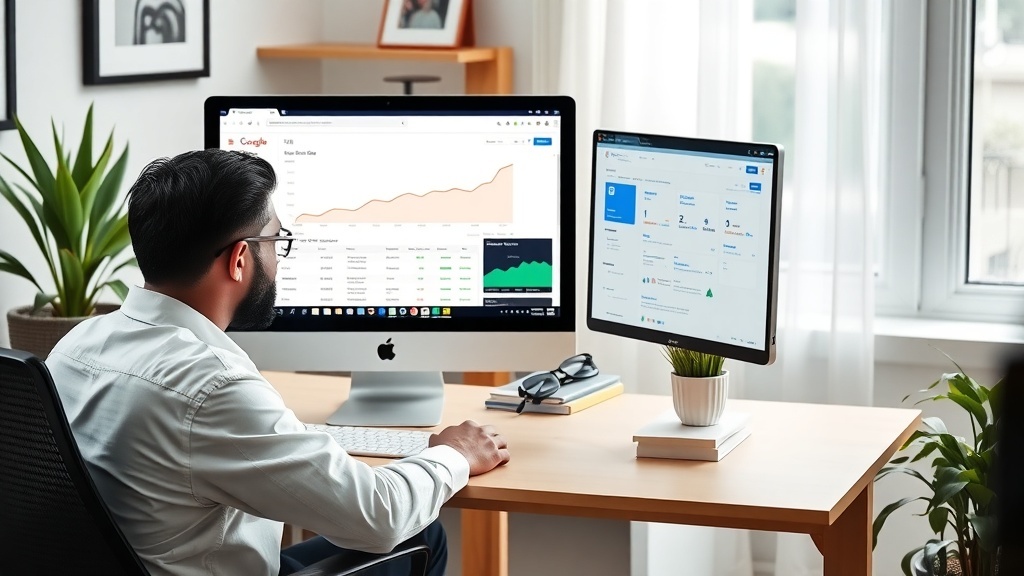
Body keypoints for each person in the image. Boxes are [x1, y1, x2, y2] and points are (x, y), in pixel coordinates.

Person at [46, 149, 510, 576]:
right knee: (418, 532)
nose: (278, 256)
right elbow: (380, 517)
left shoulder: (76, 345)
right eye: (275, 240)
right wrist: (456, 454)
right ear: (240, 259)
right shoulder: (211, 385)